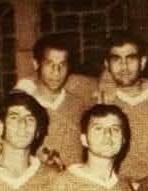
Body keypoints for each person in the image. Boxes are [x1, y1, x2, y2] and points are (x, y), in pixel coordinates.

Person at [98, 30, 148, 186]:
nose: (124, 66)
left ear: (143, 62)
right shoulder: (101, 100)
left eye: (131, 58)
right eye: (116, 59)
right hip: (117, 188)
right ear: (107, 65)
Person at [15, 33, 93, 168]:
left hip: (74, 179)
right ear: (36, 64)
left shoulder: (79, 103)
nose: (56, 72)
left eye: (62, 65)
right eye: (49, 64)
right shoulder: (23, 106)